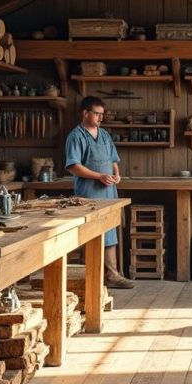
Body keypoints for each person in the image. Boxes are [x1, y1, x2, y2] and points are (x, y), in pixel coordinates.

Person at [65, 96, 135, 289]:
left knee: (110, 232)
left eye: (102, 114)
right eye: (96, 114)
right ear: (85, 113)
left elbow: (113, 160)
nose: (100, 118)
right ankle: (89, 277)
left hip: (109, 192)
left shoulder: (104, 134)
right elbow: (73, 166)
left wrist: (116, 174)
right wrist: (99, 177)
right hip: (89, 194)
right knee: (90, 235)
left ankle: (112, 275)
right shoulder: (76, 136)